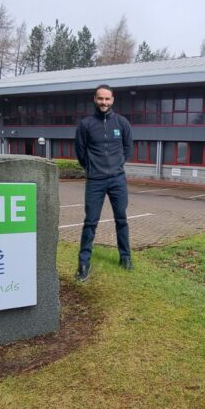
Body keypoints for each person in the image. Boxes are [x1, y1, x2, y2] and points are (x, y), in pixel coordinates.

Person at [73, 84, 134, 282]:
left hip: (117, 179)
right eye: (100, 99)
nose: (104, 102)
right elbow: (81, 152)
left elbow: (127, 149)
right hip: (95, 181)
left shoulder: (122, 123)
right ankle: (84, 263)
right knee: (90, 222)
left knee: (121, 220)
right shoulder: (86, 124)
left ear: (113, 100)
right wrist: (93, 168)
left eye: (107, 99)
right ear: (95, 99)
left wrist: (116, 166)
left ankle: (125, 257)